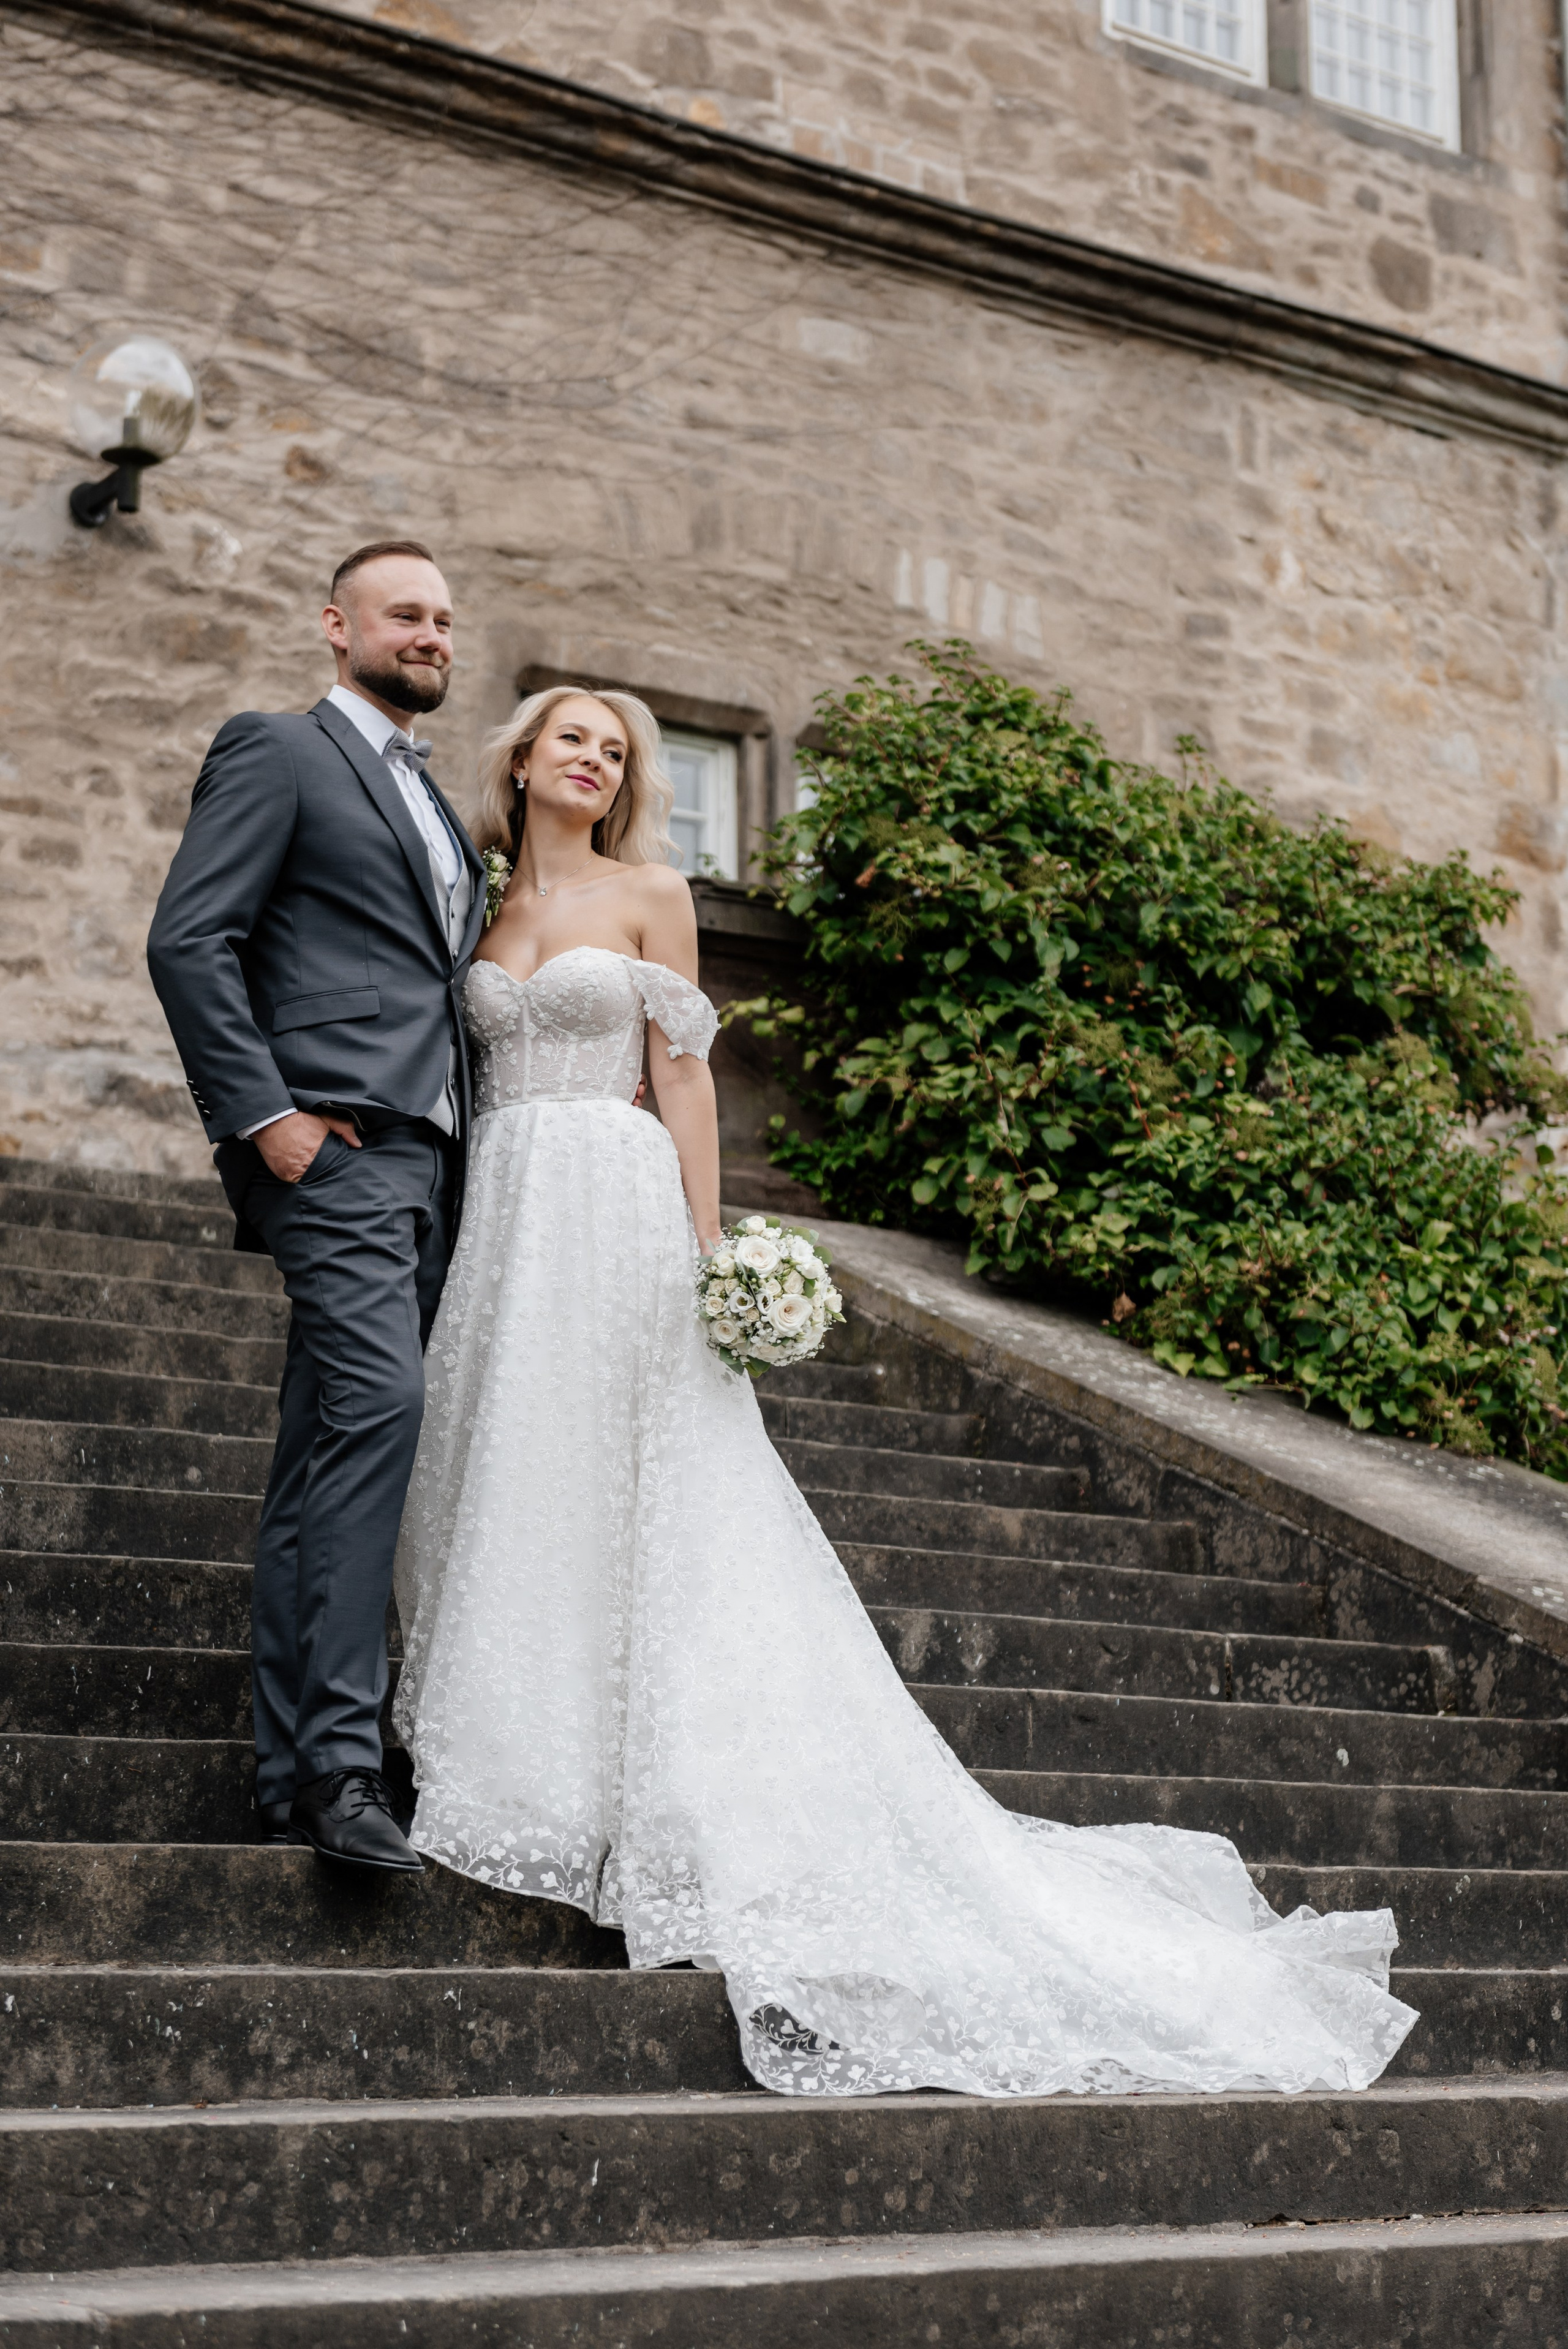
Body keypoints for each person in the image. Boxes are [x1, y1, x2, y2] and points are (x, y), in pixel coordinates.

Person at [391, 681, 1419, 2098]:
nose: (593, 756)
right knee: (519, 1465)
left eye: (618, 747)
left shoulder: (653, 892)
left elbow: (685, 1083)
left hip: (615, 1208)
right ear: (521, 758)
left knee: (642, 1482)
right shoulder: (480, 908)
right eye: (572, 735)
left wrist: (711, 1255)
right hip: (507, 1213)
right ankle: (519, 1751)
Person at [147, 540, 486, 1872]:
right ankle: (346, 1767)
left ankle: (291, 1770)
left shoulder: (438, 805)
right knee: (381, 1410)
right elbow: (190, 938)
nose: (433, 634)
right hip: (333, 1152)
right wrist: (269, 1118)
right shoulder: (279, 749)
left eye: (447, 619)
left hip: (432, 1164)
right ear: (336, 625)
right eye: (407, 613)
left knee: (329, 1444)